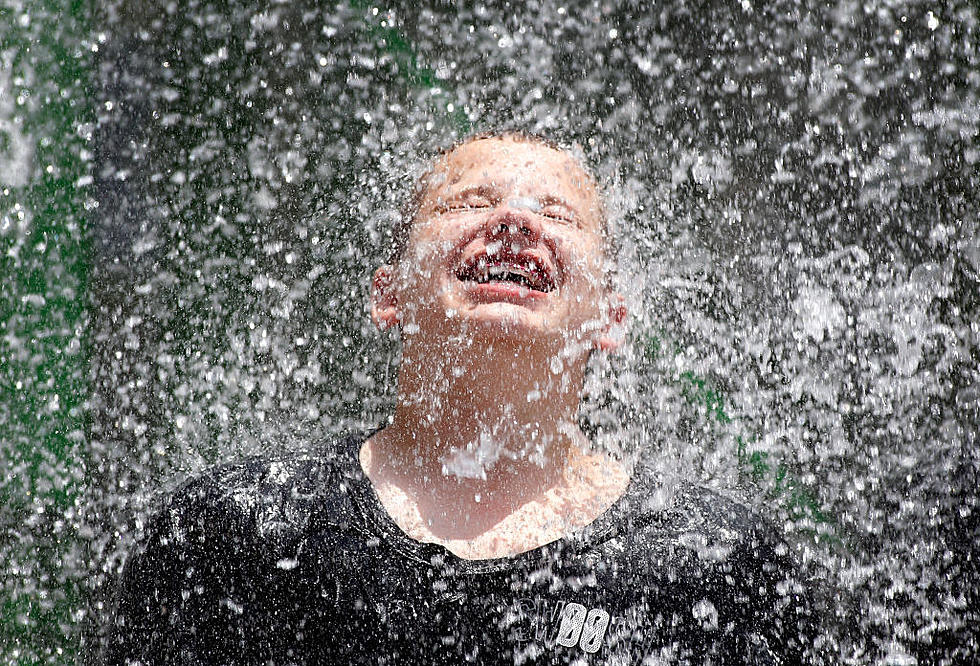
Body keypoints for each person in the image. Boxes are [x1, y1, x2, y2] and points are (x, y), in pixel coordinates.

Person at [106, 131, 821, 665]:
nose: (514, 222)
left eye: (558, 216)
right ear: (388, 295)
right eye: (470, 202)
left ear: (610, 317)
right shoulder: (241, 530)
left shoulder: (711, 560)